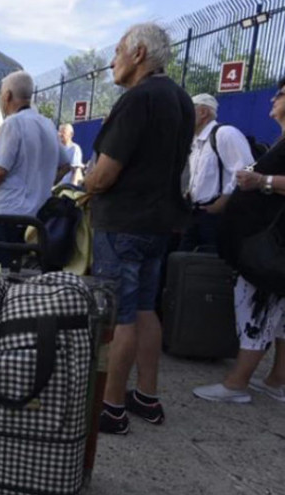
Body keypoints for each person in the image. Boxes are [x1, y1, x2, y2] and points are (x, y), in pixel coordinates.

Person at [83, 23, 194, 434]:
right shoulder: (181, 99)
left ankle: (111, 408)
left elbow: (106, 172)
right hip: (160, 224)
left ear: (139, 53)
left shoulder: (138, 99)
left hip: (124, 222)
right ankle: (147, 397)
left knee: (121, 315)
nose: (112, 61)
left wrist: (86, 185)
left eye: (117, 51)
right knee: (145, 308)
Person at [193, 79, 285, 404]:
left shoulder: (225, 134)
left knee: (256, 305)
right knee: (278, 313)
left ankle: (237, 384)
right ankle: (276, 379)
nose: (274, 98)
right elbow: (250, 167)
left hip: (271, 244)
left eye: (282, 94)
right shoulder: (278, 140)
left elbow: (253, 171)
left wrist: (262, 181)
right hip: (268, 238)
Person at [0, 70, 68, 269]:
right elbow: (65, 165)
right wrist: (42, 183)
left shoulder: (13, 123)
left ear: (7, 96)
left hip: (7, 217)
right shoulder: (47, 124)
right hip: (38, 218)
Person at [181, 93, 254, 251]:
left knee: (210, 264)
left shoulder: (225, 133)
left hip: (216, 216)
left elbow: (248, 168)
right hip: (195, 214)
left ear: (203, 112)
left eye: (187, 111)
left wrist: (225, 199)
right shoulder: (196, 142)